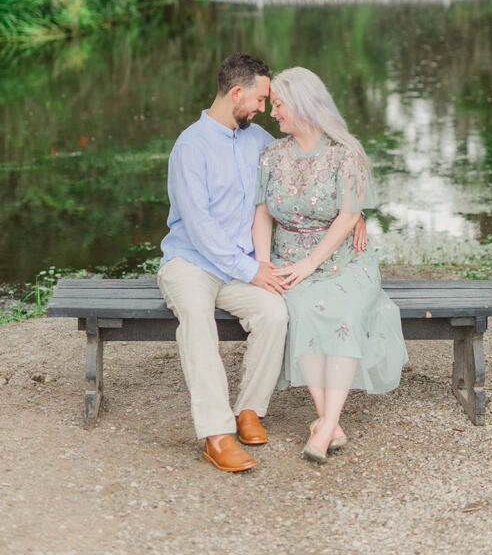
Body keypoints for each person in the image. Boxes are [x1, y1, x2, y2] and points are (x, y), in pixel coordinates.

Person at [253, 66, 408, 464]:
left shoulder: (345, 156)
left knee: (342, 312)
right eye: (272, 105)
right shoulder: (271, 156)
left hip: (343, 260)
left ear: (302, 105)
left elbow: (346, 217)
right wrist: (265, 265)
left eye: (280, 105)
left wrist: (310, 263)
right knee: (300, 309)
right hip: (288, 259)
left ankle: (324, 428)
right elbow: (263, 216)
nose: (274, 113)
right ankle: (329, 422)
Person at [157, 52, 290, 474]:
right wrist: (253, 270)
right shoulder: (190, 146)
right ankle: (216, 434)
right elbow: (199, 229)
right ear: (236, 93)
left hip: (236, 267)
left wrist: (352, 210)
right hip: (190, 263)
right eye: (261, 99)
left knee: (274, 312)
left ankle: (249, 409)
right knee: (197, 317)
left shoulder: (259, 141)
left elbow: (301, 167)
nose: (263, 108)